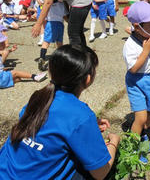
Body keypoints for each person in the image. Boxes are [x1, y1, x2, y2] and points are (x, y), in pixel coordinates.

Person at [0, 45, 120, 179]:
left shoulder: (39, 96)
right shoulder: (81, 115)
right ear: (88, 79)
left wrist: (87, 128)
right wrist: (114, 142)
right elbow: (100, 173)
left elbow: (50, 130)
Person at [123, 1, 150, 163]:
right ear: (137, 27)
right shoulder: (130, 45)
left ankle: (143, 134)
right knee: (140, 117)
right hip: (136, 82)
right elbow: (133, 68)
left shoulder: (149, 38)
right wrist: (145, 51)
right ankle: (132, 147)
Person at [38, 0, 68, 71]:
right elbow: (65, 16)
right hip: (60, 24)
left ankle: (42, 58)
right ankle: (60, 58)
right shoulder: (61, 4)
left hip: (50, 23)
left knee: (46, 42)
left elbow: (43, 14)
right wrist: (68, 21)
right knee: (59, 43)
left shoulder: (48, 4)